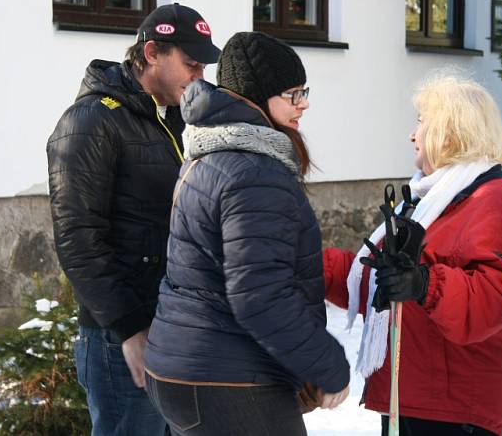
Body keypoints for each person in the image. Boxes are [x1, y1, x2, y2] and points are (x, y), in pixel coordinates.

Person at [143, 32, 350, 435]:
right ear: (257, 97)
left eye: (303, 91)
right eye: (292, 94)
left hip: (189, 368)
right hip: (227, 379)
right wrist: (327, 365)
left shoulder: (211, 156)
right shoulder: (254, 172)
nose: (303, 103)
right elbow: (260, 295)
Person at [323, 75, 502, 436]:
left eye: (422, 123)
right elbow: (379, 281)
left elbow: (495, 299)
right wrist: (311, 265)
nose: (413, 134)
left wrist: (424, 283)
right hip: (415, 397)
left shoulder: (493, 202)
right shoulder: (430, 201)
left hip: (459, 411)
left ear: (449, 134)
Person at [47, 3, 220, 435]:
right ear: (152, 53)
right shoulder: (91, 120)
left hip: (176, 326)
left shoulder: (176, 122)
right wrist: (129, 330)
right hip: (121, 339)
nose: (199, 76)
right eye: (191, 64)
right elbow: (77, 238)